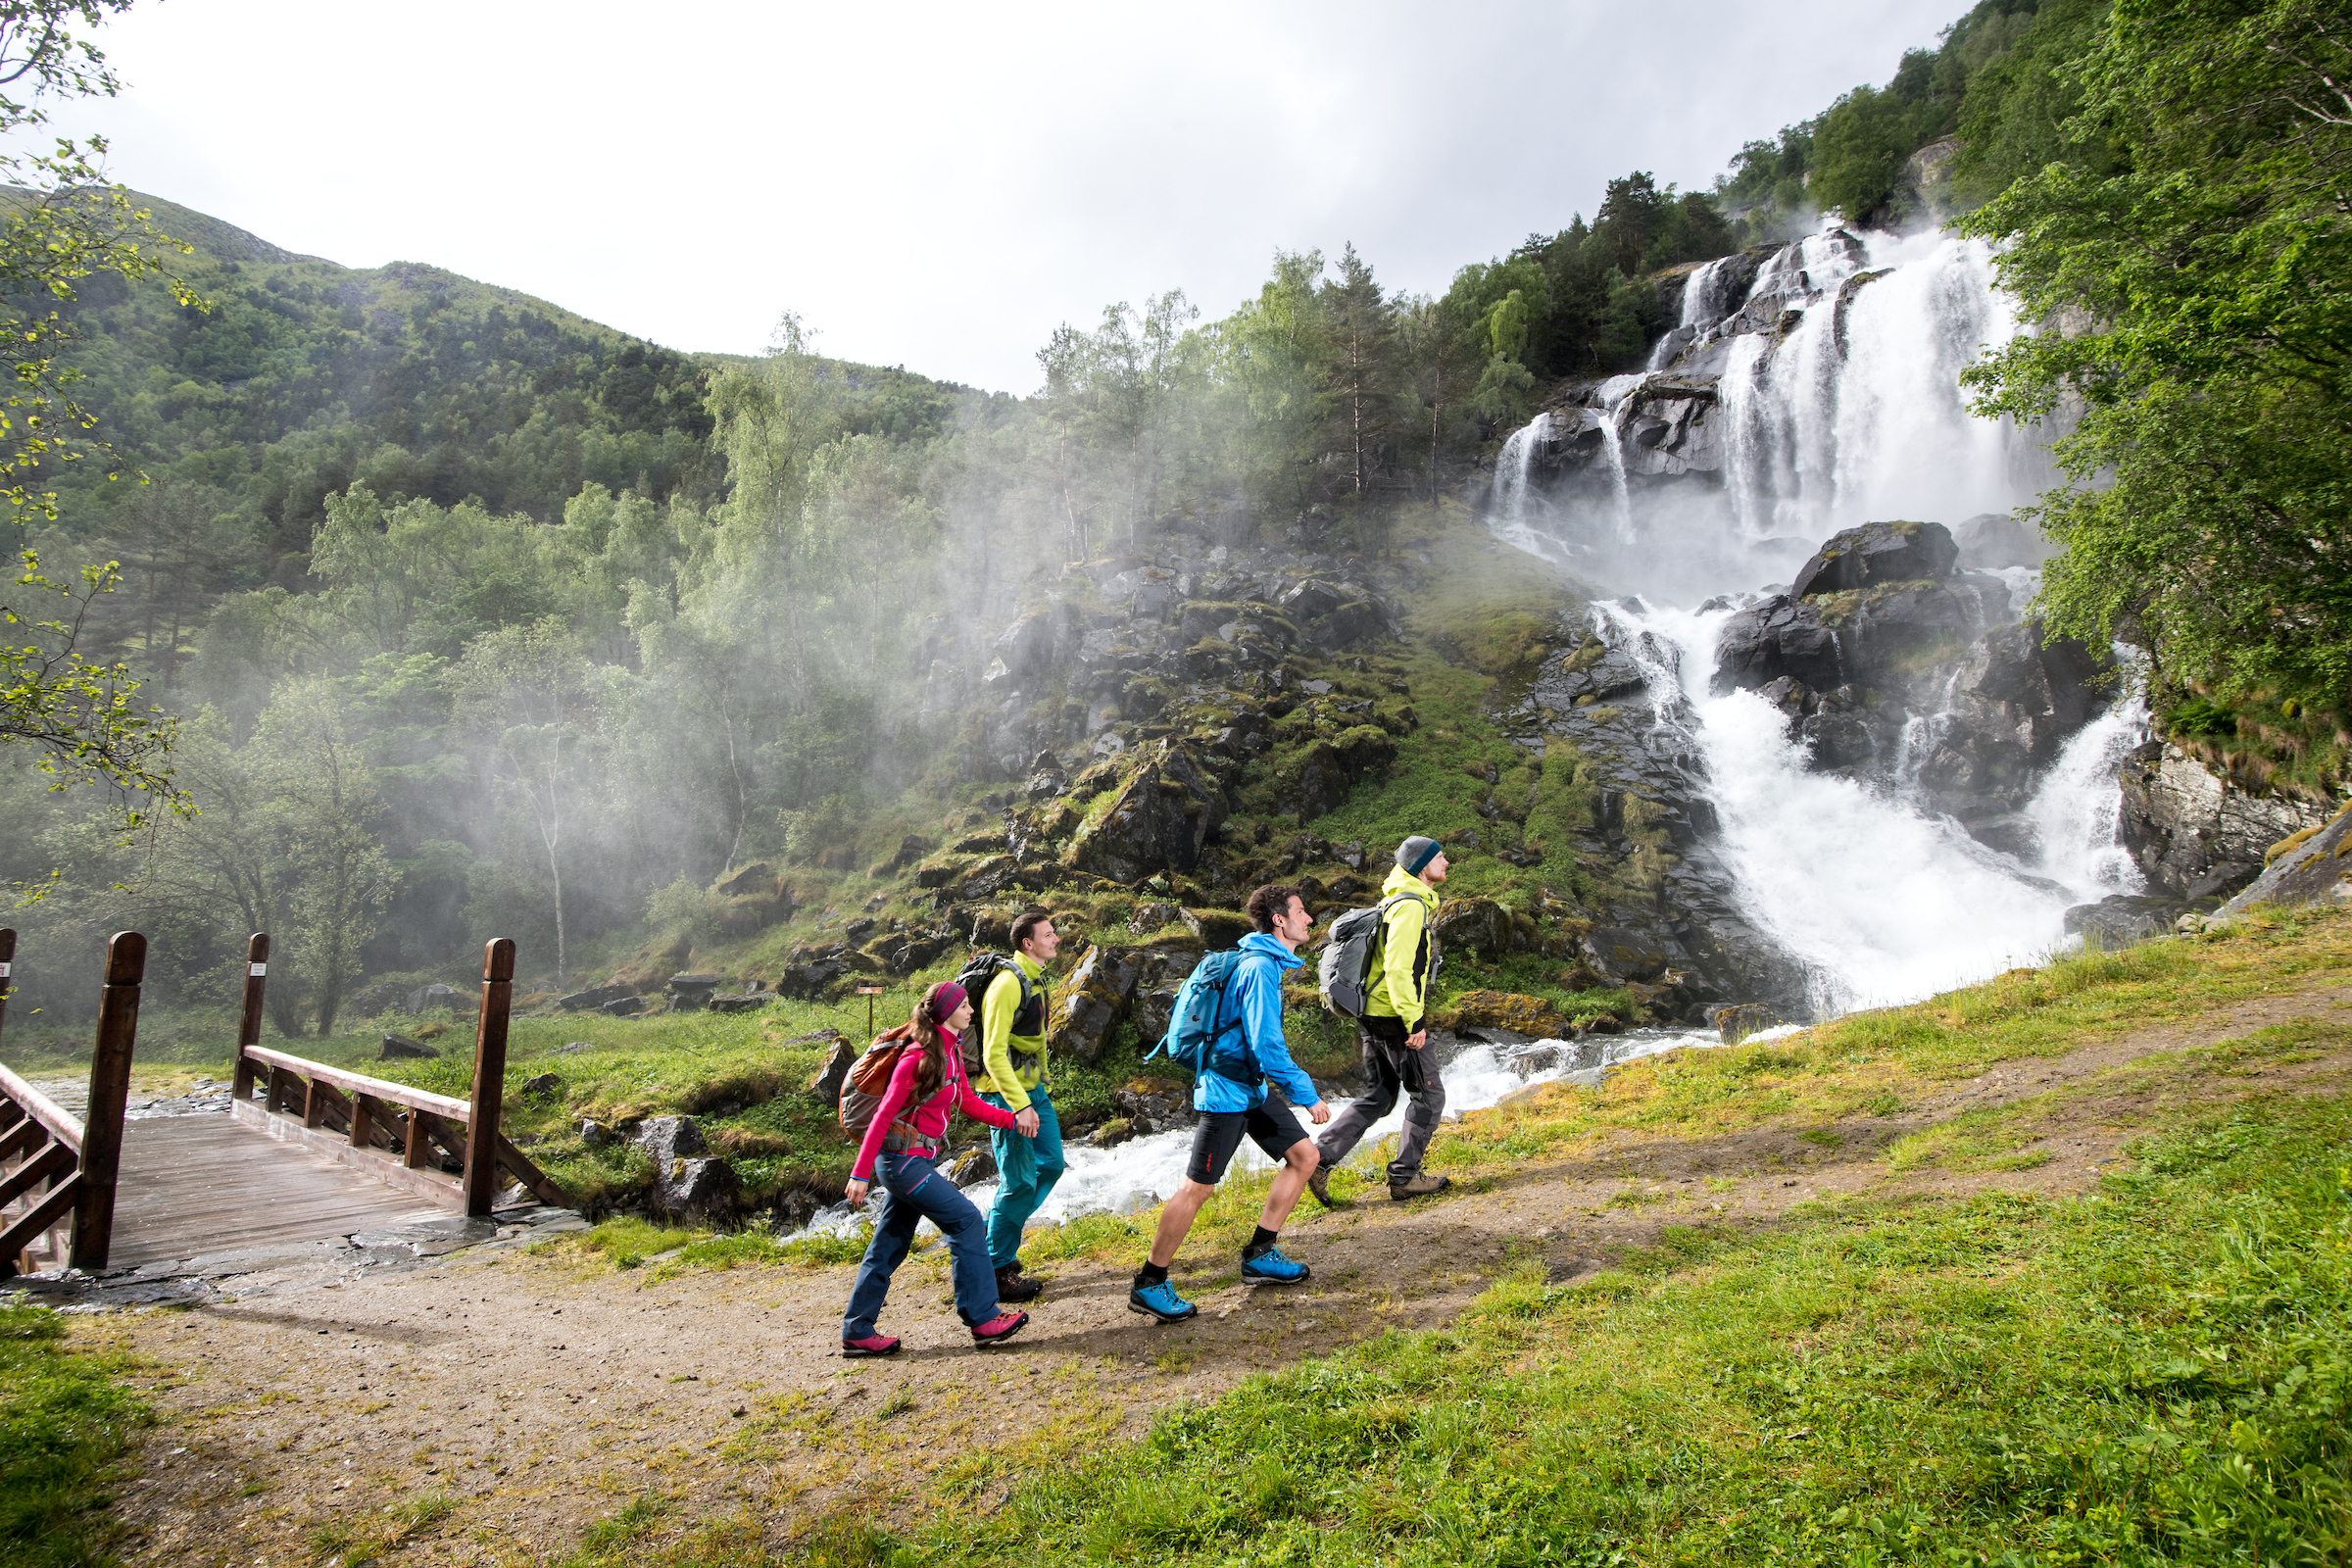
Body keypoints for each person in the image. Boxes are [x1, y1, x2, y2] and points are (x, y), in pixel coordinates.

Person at [1129, 884, 1332, 1325]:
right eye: (1302, 911)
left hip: (1249, 1088)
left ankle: (1260, 1254)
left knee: (1305, 1156)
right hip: (1225, 1092)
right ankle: (1149, 1282)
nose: (1309, 919)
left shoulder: (1262, 961)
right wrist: (1306, 1093)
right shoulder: (1259, 967)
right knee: (1197, 1188)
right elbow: (1266, 1043)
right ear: (1280, 920)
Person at [841, 982, 1031, 1356]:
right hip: (900, 1163)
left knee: (888, 1245)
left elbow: (969, 1103)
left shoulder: (951, 1051)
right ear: (945, 1012)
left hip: (916, 1161)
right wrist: (860, 1174)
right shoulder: (918, 1058)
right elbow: (881, 1118)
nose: (970, 1010)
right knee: (966, 1220)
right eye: (963, 1005)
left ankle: (857, 1331)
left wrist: (1012, 1120)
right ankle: (982, 1318)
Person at [1309, 834, 1453, 1204]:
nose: (1447, 863)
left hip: (1373, 1015)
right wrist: (1414, 1023)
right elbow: (1399, 968)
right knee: (1430, 1096)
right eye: (1439, 857)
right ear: (1422, 865)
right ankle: (1405, 1177)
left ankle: (1318, 1159)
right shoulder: (1410, 907)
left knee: (1379, 1095)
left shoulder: (1395, 899)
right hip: (1393, 1018)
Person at [973, 908, 1065, 1303]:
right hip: (1005, 1096)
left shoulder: (1036, 980)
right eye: (1048, 934)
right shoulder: (1008, 984)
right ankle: (995, 1268)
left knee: (1052, 1164)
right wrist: (1018, 1105)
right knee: (1019, 1182)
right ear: (1027, 943)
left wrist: (1036, 1091)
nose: (1056, 938)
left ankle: (997, 1237)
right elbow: (993, 1055)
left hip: (1033, 1092)